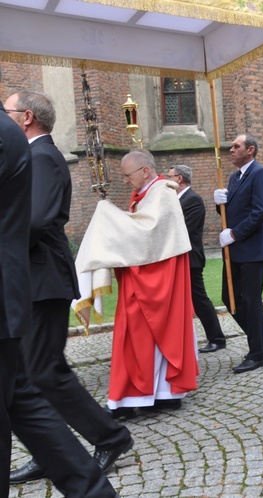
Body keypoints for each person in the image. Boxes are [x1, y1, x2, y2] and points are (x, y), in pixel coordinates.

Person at [4, 90, 133, 485]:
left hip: (42, 278)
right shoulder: (33, 154)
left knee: (44, 370)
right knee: (30, 372)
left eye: (6, 111)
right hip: (36, 278)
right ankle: (50, 450)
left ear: (26, 117)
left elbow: (36, 219)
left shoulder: (41, 155)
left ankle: (110, 436)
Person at [74, 149, 199, 419]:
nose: (125, 181)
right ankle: (160, 394)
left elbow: (146, 235)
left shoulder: (163, 194)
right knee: (143, 340)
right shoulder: (147, 195)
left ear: (145, 170)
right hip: (144, 278)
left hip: (157, 284)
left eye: (127, 175)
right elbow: (141, 234)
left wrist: (108, 217)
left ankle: (142, 397)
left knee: (141, 339)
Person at [213, 134, 263, 373]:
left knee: (250, 301)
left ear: (250, 150)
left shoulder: (260, 174)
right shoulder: (234, 177)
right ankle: (262, 335)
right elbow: (232, 214)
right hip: (235, 248)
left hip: (252, 248)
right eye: (231, 146)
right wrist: (219, 205)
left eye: (236, 146)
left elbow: (260, 212)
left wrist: (235, 234)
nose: (231, 150)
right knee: (229, 298)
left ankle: (257, 353)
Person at [166, 165, 227, 354]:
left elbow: (184, 229)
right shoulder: (174, 200)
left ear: (179, 179)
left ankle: (217, 338)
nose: (167, 181)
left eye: (170, 177)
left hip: (190, 259)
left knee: (199, 299)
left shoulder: (193, 200)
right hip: (176, 258)